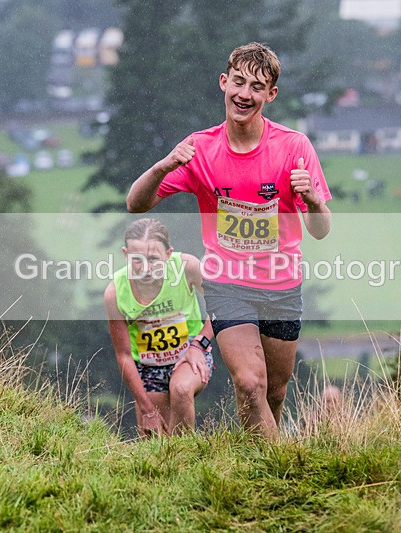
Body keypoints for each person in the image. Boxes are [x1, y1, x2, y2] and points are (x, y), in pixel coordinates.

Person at [126, 42, 332, 438]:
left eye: (257, 87)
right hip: (228, 284)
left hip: (282, 287)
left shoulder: (293, 148)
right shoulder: (200, 149)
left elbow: (320, 230)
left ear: (270, 95)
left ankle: (251, 465)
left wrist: (313, 200)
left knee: (273, 392)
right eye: (238, 82)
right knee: (249, 384)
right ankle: (282, 472)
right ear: (224, 83)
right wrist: (164, 165)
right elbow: (136, 204)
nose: (245, 94)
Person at [104, 218, 214, 437]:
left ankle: (184, 458)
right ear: (126, 254)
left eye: (154, 259)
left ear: (168, 254)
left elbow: (223, 307)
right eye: (137, 260)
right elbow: (124, 355)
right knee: (155, 445)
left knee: (180, 389)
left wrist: (199, 345)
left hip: (190, 355)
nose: (145, 268)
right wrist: (146, 408)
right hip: (147, 367)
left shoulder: (187, 267)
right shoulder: (115, 293)